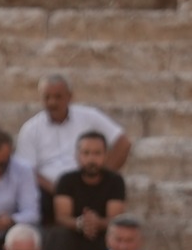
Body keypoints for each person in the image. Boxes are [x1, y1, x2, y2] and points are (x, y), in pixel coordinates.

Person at [15, 73, 130, 223]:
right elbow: (27, 170)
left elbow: (123, 142)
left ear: (69, 96)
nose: (52, 102)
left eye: (58, 97)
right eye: (47, 97)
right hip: (50, 190)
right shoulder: (30, 129)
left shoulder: (89, 116)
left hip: (89, 183)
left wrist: (102, 174)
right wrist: (60, 189)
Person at [48, 130, 126, 250]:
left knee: (118, 235)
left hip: (102, 236)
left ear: (106, 155)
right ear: (77, 155)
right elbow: (62, 217)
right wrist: (81, 223)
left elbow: (114, 219)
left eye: (97, 153)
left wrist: (97, 223)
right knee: (58, 235)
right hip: (74, 236)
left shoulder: (115, 181)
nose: (91, 159)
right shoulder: (66, 180)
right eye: (86, 153)